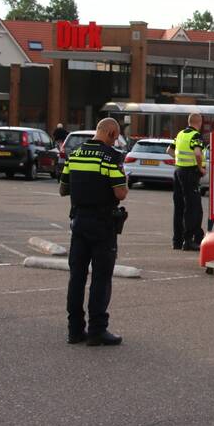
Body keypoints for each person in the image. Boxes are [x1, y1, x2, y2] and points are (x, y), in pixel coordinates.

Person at [59, 117, 127, 346]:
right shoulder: (111, 157)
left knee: (76, 277)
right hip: (102, 224)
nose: (115, 142)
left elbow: (63, 188)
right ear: (109, 133)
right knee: (100, 277)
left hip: (78, 222)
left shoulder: (75, 154)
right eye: (115, 137)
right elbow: (121, 193)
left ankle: (74, 330)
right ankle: (98, 330)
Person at [167, 113, 206, 251]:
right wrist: (200, 168)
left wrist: (179, 162)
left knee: (179, 207)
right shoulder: (196, 136)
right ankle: (188, 241)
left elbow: (169, 151)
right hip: (190, 173)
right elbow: (197, 153)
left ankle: (177, 241)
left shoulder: (181, 134)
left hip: (178, 172)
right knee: (193, 207)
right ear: (199, 122)